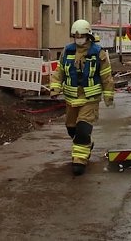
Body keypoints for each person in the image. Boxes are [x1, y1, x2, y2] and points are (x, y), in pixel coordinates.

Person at [50, 19, 115, 176]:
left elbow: (106, 76)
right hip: (71, 99)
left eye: (81, 36)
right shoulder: (67, 51)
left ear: (88, 36)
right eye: (76, 36)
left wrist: (108, 95)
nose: (78, 39)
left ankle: (79, 160)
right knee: (71, 128)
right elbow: (59, 71)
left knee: (83, 128)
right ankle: (86, 143)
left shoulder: (98, 53)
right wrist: (55, 87)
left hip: (90, 99)